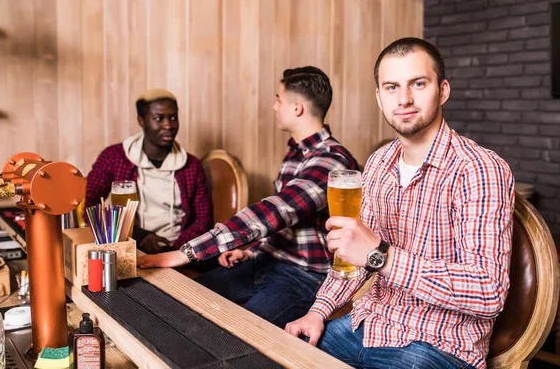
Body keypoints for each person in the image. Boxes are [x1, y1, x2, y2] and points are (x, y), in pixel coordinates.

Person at [285, 38, 515, 369]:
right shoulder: (379, 162)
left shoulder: (479, 169)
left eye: (418, 84)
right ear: (379, 98)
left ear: (443, 91)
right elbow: (354, 254)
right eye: (391, 87)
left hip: (437, 345)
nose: (404, 99)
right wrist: (318, 311)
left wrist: (381, 256)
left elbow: (487, 292)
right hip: (363, 328)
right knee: (277, 357)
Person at [138, 67, 360, 328]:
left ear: (297, 108)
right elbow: (289, 226)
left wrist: (185, 253)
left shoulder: (332, 160)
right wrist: (252, 250)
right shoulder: (296, 153)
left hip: (303, 275)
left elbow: (278, 210)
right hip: (267, 261)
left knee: (237, 336)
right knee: (184, 302)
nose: (274, 106)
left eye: (278, 99)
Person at [85, 89, 212, 253]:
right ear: (141, 121)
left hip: (177, 249)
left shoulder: (191, 165)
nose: (168, 125)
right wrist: (139, 235)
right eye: (159, 118)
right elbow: (90, 207)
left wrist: (175, 250)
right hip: (129, 245)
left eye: (173, 118)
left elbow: (203, 219)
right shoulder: (114, 157)